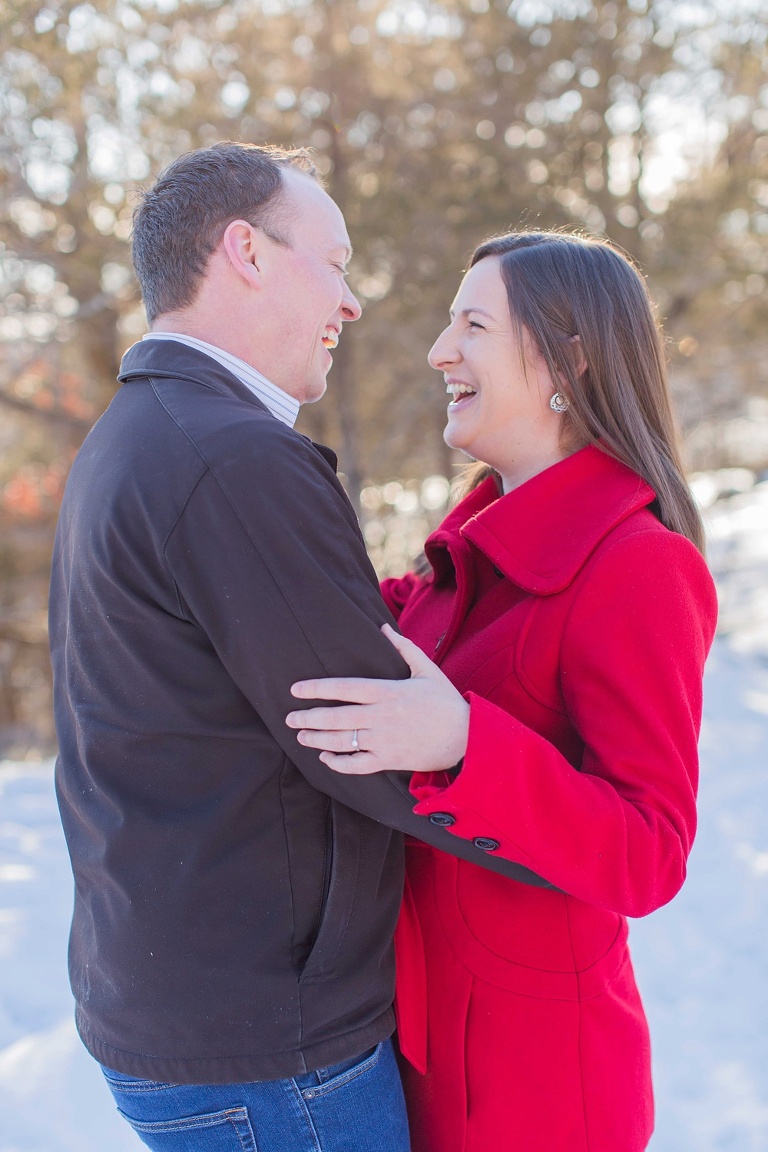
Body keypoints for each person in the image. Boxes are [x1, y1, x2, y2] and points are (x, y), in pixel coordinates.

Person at [48, 142, 532, 1152]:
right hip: (273, 1052)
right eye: (338, 262)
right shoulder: (231, 459)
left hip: (185, 1007)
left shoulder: (135, 435)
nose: (352, 303)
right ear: (247, 252)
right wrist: (584, 827)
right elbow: (367, 731)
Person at [287, 230, 718, 1152]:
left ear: (569, 359)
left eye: (472, 324)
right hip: (416, 1050)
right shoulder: (462, 564)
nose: (441, 351)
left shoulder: (638, 567)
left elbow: (652, 851)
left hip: (538, 1091)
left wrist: (466, 746)